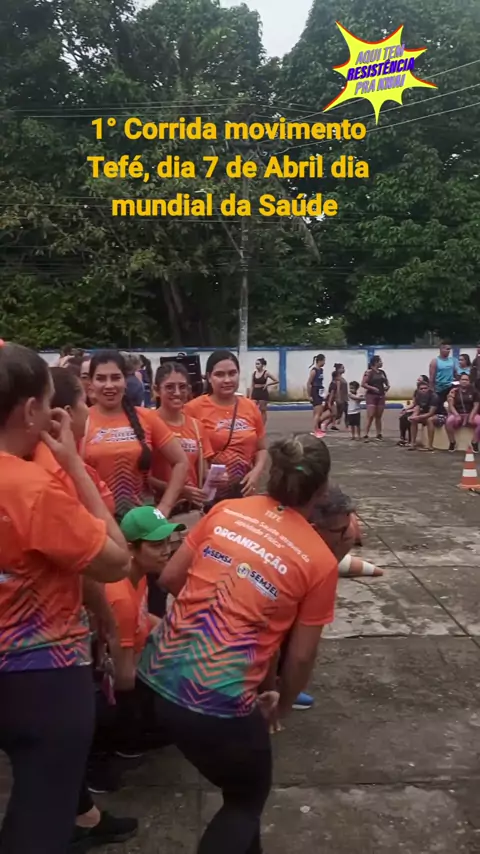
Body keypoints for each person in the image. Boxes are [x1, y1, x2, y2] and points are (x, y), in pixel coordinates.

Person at [138, 434, 338, 854]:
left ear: (270, 474)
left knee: (241, 795)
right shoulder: (319, 560)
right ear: (321, 490)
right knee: (245, 801)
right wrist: (282, 704)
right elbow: (301, 656)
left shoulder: (226, 510)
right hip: (217, 700)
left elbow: (170, 578)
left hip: (155, 678)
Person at [0, 343, 131, 854]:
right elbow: (116, 560)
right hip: (41, 677)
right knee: (40, 818)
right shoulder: (31, 489)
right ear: (32, 409)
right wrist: (74, 464)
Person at [103, 507, 186, 758]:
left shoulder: (138, 576)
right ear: (131, 548)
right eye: (157, 545)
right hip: (121, 689)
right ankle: (122, 740)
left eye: (168, 542)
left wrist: (178, 633)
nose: (167, 550)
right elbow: (124, 678)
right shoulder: (120, 597)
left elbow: (143, 617)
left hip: (135, 662)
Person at [83, 350, 188, 520]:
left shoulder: (146, 417)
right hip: (98, 522)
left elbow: (181, 461)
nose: (109, 385)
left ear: (126, 381)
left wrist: (165, 507)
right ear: (91, 384)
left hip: (142, 523)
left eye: (115, 378)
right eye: (101, 378)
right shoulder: (82, 421)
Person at [184, 350, 268, 502]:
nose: (227, 380)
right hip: (207, 497)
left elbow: (261, 449)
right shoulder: (193, 409)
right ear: (209, 377)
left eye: (232, 373)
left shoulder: (250, 407)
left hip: (244, 493)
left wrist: (255, 472)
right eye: (219, 374)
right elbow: (184, 454)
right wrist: (205, 473)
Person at [445, 372, 480, 452]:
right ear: (459, 381)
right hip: (457, 413)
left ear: (469, 381)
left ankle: (474, 442)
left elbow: (476, 406)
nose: (464, 381)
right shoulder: (454, 391)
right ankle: (452, 442)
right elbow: (451, 405)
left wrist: (471, 417)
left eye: (466, 380)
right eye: (462, 379)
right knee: (448, 422)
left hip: (470, 413)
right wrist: (457, 415)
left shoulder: (474, 392)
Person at [361, 355, 390, 441]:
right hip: (371, 395)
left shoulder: (382, 372)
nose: (381, 363)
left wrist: (387, 387)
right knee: (371, 415)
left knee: (378, 416)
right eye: (380, 361)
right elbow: (363, 384)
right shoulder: (369, 372)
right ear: (375, 362)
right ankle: (366, 433)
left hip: (381, 395)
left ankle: (379, 433)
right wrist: (373, 388)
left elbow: (386, 382)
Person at [397, 375, 429, 447]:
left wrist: (412, 411)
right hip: (416, 409)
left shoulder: (430, 393)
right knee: (403, 417)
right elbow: (414, 403)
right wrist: (406, 409)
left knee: (410, 418)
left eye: (419, 380)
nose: (418, 381)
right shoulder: (416, 392)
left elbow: (422, 407)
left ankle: (411, 439)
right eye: (417, 380)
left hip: (423, 411)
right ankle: (403, 437)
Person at [408, 379, 438, 451]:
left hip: (438, 414)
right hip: (425, 414)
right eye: (421, 389)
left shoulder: (434, 396)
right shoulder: (418, 396)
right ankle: (412, 443)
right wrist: (413, 416)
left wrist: (418, 417)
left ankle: (430, 445)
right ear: (418, 390)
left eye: (425, 388)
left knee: (429, 420)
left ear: (429, 388)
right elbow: (417, 408)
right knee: (413, 420)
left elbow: (431, 413)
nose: (423, 390)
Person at [429, 341, 458, 414]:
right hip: (439, 388)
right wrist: (432, 390)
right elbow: (432, 377)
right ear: (441, 349)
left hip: (450, 386)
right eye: (447, 349)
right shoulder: (435, 361)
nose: (449, 351)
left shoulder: (452, 360)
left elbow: (455, 373)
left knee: (453, 403)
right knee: (439, 408)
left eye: (449, 349)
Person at [249, 358, 278, 425]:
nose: (256, 365)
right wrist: (250, 396)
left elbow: (276, 380)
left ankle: (262, 425)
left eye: (258, 364)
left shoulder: (266, 373)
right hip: (255, 392)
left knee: (263, 410)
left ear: (262, 365)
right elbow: (252, 385)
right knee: (253, 409)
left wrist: (267, 384)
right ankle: (254, 423)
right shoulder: (254, 373)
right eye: (256, 364)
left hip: (262, 392)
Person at [307, 354, 326, 437]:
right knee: (317, 412)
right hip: (315, 391)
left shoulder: (321, 370)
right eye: (324, 361)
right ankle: (315, 430)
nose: (324, 363)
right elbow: (309, 383)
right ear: (320, 361)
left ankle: (316, 428)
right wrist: (309, 395)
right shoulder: (314, 371)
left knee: (318, 412)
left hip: (320, 391)